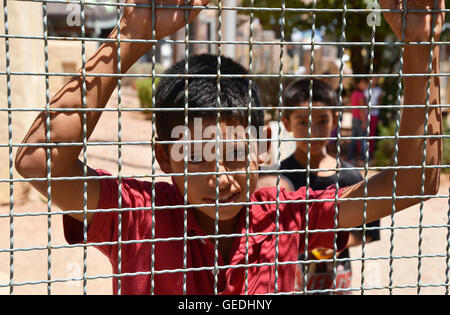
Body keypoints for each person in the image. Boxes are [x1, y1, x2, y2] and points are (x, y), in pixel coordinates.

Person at [15, 0, 444, 295]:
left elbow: (415, 181)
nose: (221, 177)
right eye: (197, 154)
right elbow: (39, 162)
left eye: (237, 152)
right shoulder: (136, 216)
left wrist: (419, 45)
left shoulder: (285, 215)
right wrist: (133, 32)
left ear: (263, 147)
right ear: (165, 156)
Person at [279, 79, 380, 295]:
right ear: (286, 123)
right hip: (290, 284)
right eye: (303, 123)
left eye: (322, 121)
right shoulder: (278, 178)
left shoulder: (350, 177)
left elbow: (369, 231)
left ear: (335, 120)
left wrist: (335, 244)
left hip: (336, 285)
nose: (313, 131)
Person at [348, 77, 370, 165]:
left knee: (353, 139)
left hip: (354, 118)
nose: (366, 85)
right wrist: (364, 121)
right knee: (363, 140)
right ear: (359, 84)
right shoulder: (361, 95)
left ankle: (350, 158)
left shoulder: (353, 93)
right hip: (360, 120)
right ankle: (364, 159)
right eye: (364, 83)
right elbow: (361, 109)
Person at [364, 78, 384, 159]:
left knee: (372, 133)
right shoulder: (366, 88)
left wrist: (374, 108)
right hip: (366, 114)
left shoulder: (379, 90)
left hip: (374, 114)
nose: (374, 80)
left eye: (376, 79)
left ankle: (370, 152)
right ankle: (364, 152)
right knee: (365, 133)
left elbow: (380, 102)